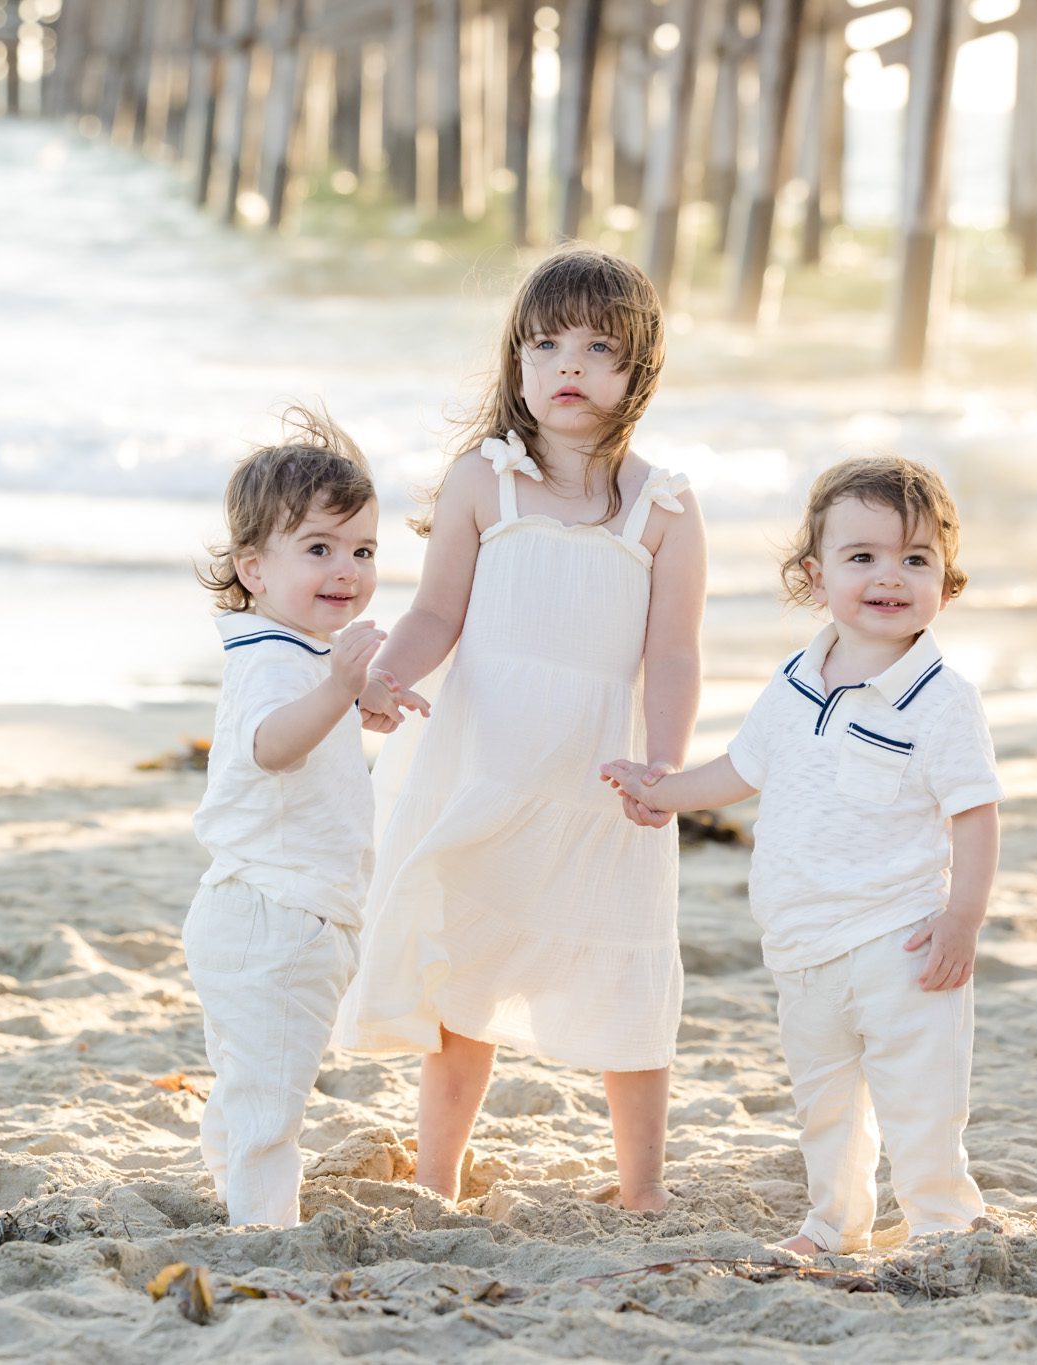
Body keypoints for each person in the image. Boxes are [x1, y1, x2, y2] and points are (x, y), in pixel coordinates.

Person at [346, 247, 707, 1212]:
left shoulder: (661, 508)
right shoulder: (484, 481)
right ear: (517, 364)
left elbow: (671, 655)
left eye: (599, 347)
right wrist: (382, 678)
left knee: (629, 963)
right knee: (464, 965)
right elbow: (435, 615)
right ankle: (438, 1175)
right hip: (490, 765)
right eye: (545, 345)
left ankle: (643, 1187)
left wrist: (663, 765)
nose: (569, 366)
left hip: (600, 781)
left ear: (640, 373)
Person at [601, 454, 1002, 1254]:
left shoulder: (943, 699)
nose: (890, 576)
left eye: (915, 559)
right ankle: (832, 1221)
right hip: (800, 943)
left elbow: (976, 814)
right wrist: (661, 792)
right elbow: (742, 770)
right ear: (815, 578)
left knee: (920, 1097)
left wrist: (963, 918)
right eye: (863, 557)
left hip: (901, 939)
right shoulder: (793, 681)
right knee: (825, 1100)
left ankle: (941, 1224)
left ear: (946, 586)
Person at [184, 408, 387, 1228]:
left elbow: (309, 714)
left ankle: (232, 1180)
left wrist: (362, 694)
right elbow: (271, 745)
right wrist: (341, 689)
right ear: (254, 568)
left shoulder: (289, 645)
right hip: (277, 915)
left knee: (250, 1073)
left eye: (363, 550)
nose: (347, 569)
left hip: (261, 908)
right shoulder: (275, 662)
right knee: (272, 1090)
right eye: (319, 548)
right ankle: (263, 1225)